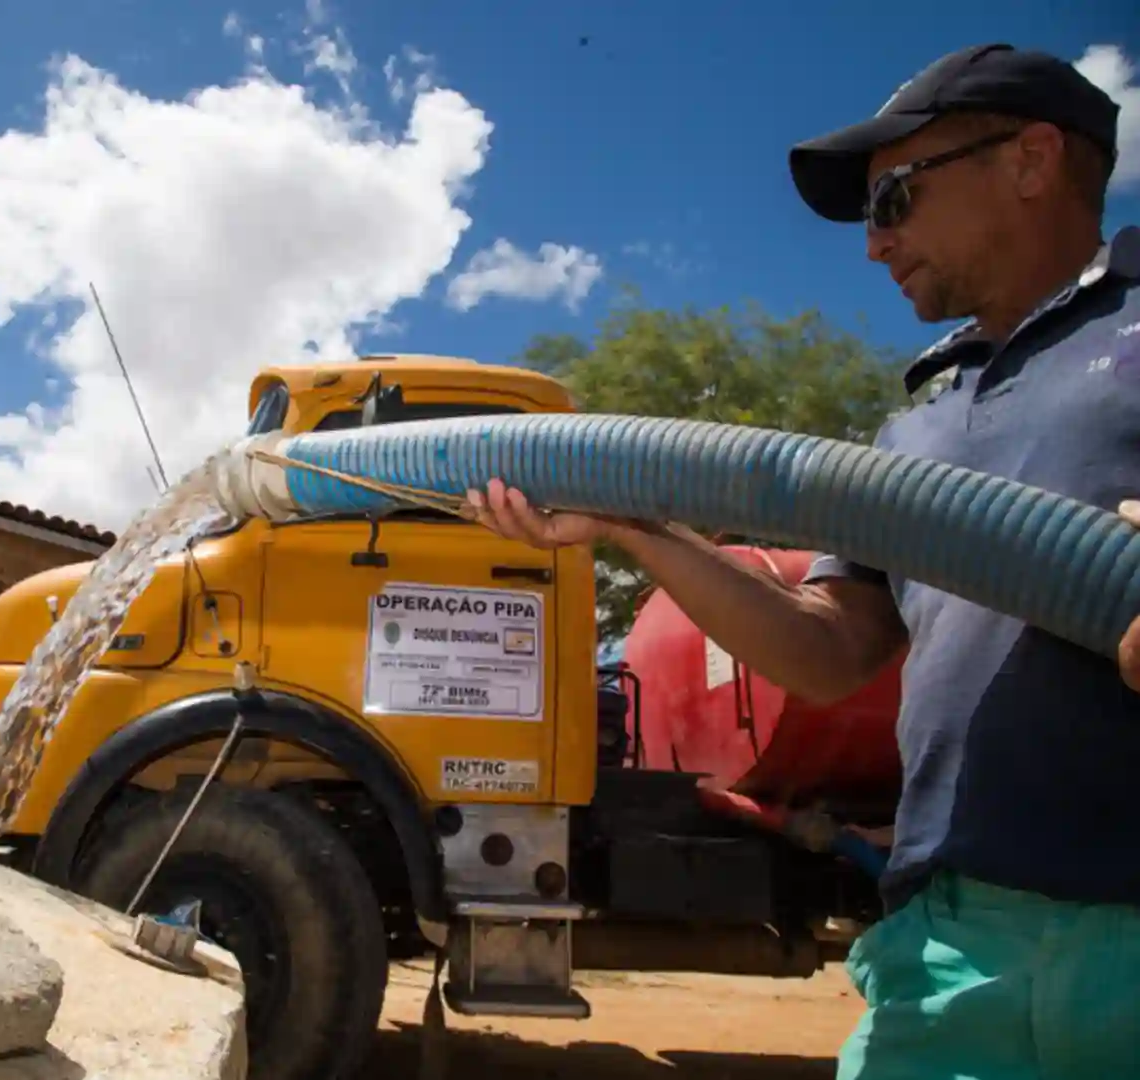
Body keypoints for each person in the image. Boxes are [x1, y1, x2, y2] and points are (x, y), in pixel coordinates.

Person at [468, 43, 1140, 1080]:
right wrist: (638, 524)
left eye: (894, 200)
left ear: (1032, 158)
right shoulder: (916, 431)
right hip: (947, 952)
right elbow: (831, 654)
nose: (874, 248)